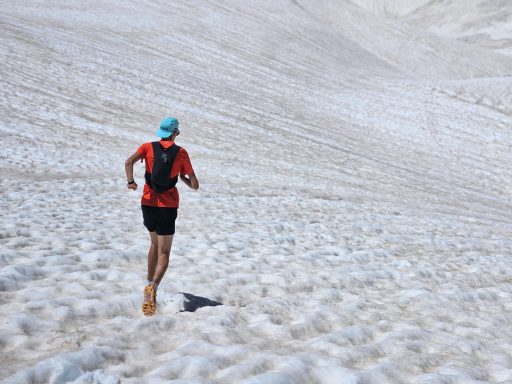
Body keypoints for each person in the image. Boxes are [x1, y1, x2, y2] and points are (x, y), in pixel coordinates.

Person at [124, 117, 199, 316]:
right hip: (168, 206)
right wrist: (181, 177)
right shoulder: (181, 153)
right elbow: (195, 185)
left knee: (154, 245)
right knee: (164, 253)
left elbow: (128, 162)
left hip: (148, 203)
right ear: (175, 133)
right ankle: (153, 288)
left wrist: (131, 182)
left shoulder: (147, 147)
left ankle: (148, 283)